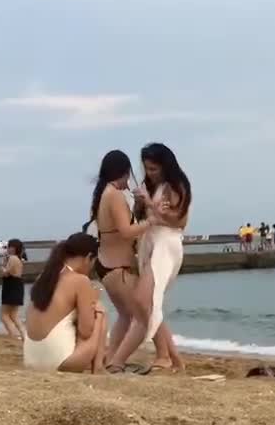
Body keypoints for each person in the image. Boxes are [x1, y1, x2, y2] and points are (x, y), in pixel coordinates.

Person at [107, 143, 190, 374]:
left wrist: (151, 203)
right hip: (149, 243)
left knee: (144, 300)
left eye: (154, 169)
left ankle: (121, 361)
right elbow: (145, 217)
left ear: (165, 165)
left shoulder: (176, 186)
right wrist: (141, 204)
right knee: (145, 302)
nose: (150, 173)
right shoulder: (149, 186)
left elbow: (179, 221)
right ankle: (171, 357)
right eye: (147, 169)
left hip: (166, 245)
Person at [86, 150, 152, 362]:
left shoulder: (104, 194)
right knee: (142, 318)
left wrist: (138, 206)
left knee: (126, 316)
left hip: (106, 266)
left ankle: (110, 358)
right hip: (119, 267)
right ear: (123, 172)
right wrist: (151, 222)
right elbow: (125, 231)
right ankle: (116, 361)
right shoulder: (113, 195)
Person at [22, 233, 108, 373]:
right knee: (100, 311)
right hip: (60, 362)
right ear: (88, 258)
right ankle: (98, 367)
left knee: (75, 316)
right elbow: (86, 332)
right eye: (94, 262)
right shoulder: (80, 280)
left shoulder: (44, 277)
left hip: (31, 358)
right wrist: (93, 303)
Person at [0, 239, 26, 340]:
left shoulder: (13, 258)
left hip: (11, 286)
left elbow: (6, 273)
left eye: (10, 247)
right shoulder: (18, 258)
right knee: (14, 315)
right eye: (8, 247)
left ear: (15, 248)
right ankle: (23, 334)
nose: (8, 249)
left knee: (4, 315)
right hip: (17, 286)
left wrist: (1, 267)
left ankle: (13, 335)